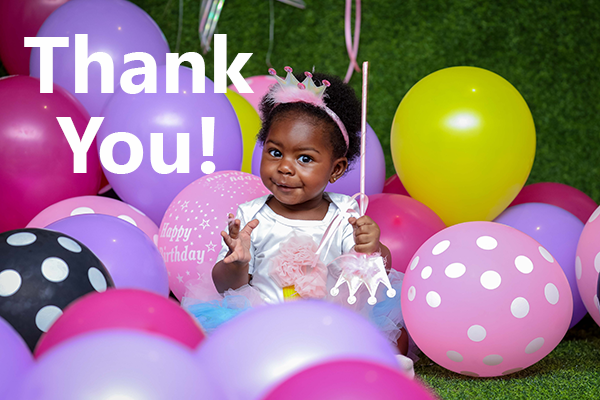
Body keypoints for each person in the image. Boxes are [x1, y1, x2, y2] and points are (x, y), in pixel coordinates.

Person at [187, 67, 414, 375]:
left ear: (336, 169)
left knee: (381, 337)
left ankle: (363, 365)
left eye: (304, 158)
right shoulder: (249, 216)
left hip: (331, 323)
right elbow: (224, 286)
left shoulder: (345, 212)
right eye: (275, 152)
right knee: (240, 356)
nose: (285, 168)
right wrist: (236, 263)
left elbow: (375, 275)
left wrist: (371, 248)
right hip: (265, 325)